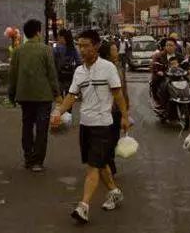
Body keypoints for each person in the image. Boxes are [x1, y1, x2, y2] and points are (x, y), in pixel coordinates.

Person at [51, 29, 131, 225]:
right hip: (86, 124)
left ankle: (83, 206)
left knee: (93, 167)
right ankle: (114, 191)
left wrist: (125, 116)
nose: (82, 49)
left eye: (86, 45)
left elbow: (118, 94)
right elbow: (71, 96)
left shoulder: (108, 68)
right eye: (80, 45)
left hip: (103, 124)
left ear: (96, 46)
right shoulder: (79, 71)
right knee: (98, 162)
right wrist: (58, 112)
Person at [8, 19, 61, 172]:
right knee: (41, 129)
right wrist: (57, 94)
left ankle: (28, 158)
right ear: (38, 32)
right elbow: (52, 74)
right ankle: (38, 161)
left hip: (24, 96)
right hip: (43, 97)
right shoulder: (46, 50)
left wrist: (12, 94)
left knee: (27, 126)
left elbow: (13, 75)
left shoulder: (18, 51)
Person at [99, 39, 130, 176]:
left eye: (116, 49)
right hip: (106, 109)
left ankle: (107, 161)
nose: (116, 52)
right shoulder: (102, 68)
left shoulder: (119, 66)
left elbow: (124, 88)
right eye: (113, 50)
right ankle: (107, 163)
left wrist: (126, 106)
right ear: (107, 53)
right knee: (107, 138)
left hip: (117, 109)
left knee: (114, 138)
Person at [150, 37, 179, 107]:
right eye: (167, 45)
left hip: (177, 76)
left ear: (175, 46)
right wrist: (158, 71)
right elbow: (154, 65)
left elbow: (186, 64)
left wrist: (189, 70)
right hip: (164, 76)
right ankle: (157, 100)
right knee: (155, 81)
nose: (169, 47)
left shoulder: (179, 56)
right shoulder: (158, 56)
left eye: (171, 45)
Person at [54, 29, 82, 96]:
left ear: (62, 37)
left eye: (59, 37)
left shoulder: (56, 49)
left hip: (59, 77)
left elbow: (52, 62)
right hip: (69, 76)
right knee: (69, 97)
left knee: (60, 100)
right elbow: (78, 62)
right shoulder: (72, 48)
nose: (58, 38)